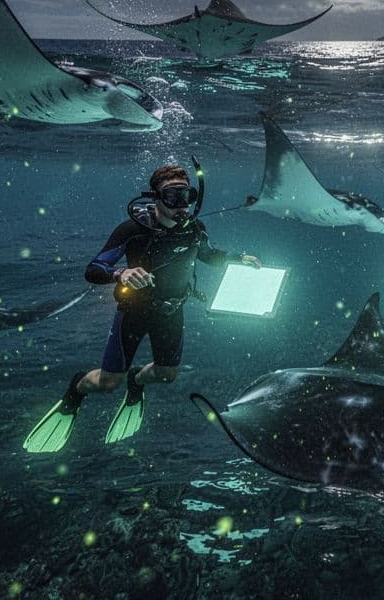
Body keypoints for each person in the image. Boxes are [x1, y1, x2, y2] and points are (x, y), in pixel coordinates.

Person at [24, 162, 260, 453]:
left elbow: (208, 255)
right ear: (156, 198)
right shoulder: (133, 229)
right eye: (172, 197)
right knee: (109, 383)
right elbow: (93, 268)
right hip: (134, 313)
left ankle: (137, 379)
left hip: (172, 312)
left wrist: (238, 257)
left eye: (187, 196)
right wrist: (120, 273)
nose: (181, 206)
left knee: (166, 375)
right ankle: (76, 389)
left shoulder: (196, 229)